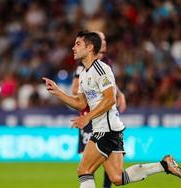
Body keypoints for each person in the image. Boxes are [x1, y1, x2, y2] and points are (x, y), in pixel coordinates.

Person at [43, 31, 181, 188]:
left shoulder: (100, 69)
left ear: (90, 47)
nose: (73, 48)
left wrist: (88, 117)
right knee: (117, 178)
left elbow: (110, 98)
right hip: (109, 129)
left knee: (84, 170)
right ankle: (165, 165)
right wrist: (58, 92)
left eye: (78, 44)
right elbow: (79, 103)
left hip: (106, 129)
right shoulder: (84, 74)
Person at [71, 31, 126, 188]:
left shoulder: (104, 64)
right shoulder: (82, 68)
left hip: (100, 120)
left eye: (105, 38)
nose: (104, 41)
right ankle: (162, 165)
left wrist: (120, 94)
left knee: (86, 169)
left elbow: (109, 91)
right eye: (101, 39)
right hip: (89, 118)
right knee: (90, 168)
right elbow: (77, 92)